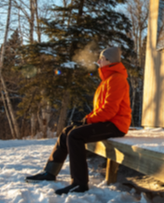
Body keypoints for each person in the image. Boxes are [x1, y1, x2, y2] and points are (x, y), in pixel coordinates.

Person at [25, 47, 132, 195]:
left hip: (115, 125)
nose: (98, 61)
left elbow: (109, 111)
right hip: (106, 122)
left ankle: (79, 183)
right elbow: (101, 109)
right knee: (67, 131)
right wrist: (86, 120)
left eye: (101, 58)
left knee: (75, 136)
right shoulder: (107, 80)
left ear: (109, 61)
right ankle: (50, 172)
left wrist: (87, 120)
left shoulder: (117, 80)